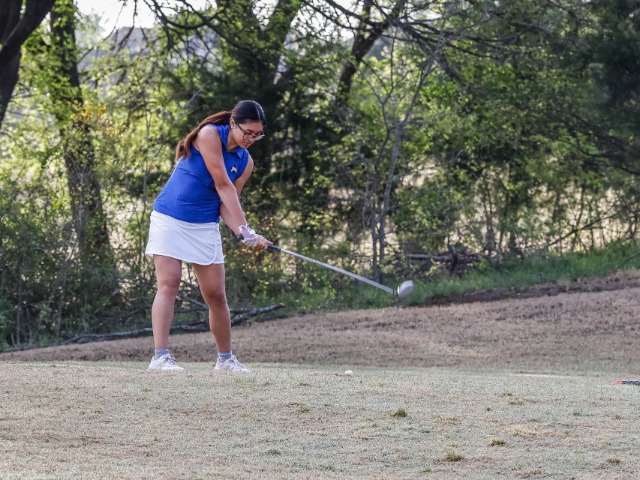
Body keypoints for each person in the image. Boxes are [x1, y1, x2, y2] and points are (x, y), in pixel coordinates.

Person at [145, 99, 271, 372]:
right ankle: (160, 357)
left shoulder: (246, 162)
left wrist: (245, 234)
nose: (251, 139)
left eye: (257, 134)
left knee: (216, 295)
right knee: (169, 283)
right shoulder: (209, 134)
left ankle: (225, 360)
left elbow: (226, 204)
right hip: (170, 218)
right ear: (233, 123)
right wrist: (246, 229)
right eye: (247, 132)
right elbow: (222, 184)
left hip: (204, 225)